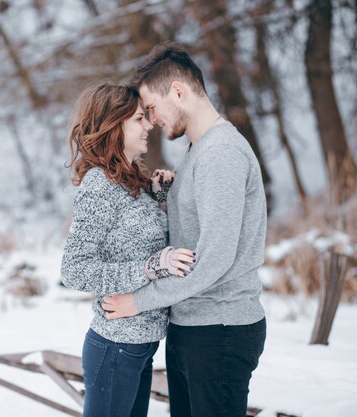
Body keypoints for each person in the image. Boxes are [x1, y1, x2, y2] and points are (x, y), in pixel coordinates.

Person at [101, 41, 267, 417]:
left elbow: (215, 258)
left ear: (178, 92)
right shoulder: (199, 149)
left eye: (152, 108)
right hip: (196, 326)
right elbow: (198, 228)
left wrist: (137, 301)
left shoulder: (220, 153)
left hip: (219, 329)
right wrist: (170, 198)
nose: (152, 120)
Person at [60, 81, 195, 417]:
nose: (149, 125)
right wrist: (151, 267)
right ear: (112, 126)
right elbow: (74, 269)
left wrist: (162, 201)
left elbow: (135, 243)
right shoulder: (99, 185)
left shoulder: (130, 180)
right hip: (115, 346)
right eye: (138, 119)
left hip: (139, 345)